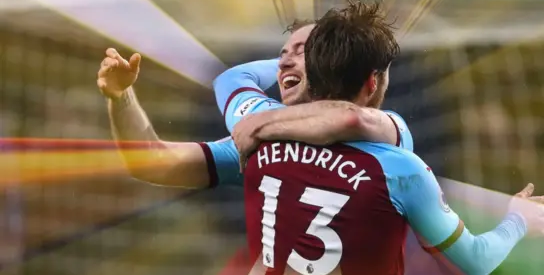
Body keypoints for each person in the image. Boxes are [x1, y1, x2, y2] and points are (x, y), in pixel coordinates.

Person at [217, 0, 544, 275]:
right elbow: (474, 260)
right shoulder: (400, 167)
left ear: (313, 75)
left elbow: (231, 80)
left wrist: (278, 80)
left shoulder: (261, 140)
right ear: (373, 81)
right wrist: (518, 220)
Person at [97, 23, 411, 190]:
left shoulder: (393, 133)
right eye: (282, 53)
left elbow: (350, 119)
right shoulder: (266, 143)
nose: (285, 61)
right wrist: (120, 97)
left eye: (304, 52)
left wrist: (258, 124)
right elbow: (151, 163)